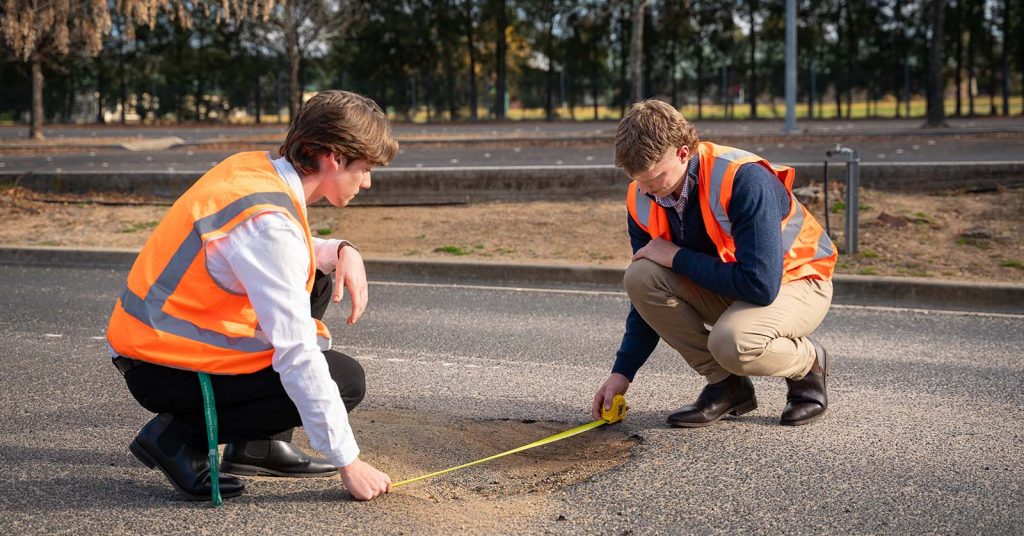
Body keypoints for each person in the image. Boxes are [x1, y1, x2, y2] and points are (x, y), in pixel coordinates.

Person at [106, 90, 396, 501]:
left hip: (157, 342)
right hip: (164, 367)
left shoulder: (254, 169)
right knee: (344, 380)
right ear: (333, 157)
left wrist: (340, 250)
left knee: (317, 276)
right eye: (365, 169)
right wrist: (349, 462)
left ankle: (258, 446)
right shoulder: (269, 227)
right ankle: (177, 438)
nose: (367, 182)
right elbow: (296, 353)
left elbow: (268, 251)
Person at [592, 100, 837, 428]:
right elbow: (645, 302)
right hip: (734, 282)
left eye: (655, 177)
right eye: (638, 180)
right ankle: (727, 387)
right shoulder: (642, 196)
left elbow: (760, 286)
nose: (648, 190)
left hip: (799, 281)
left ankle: (808, 365)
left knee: (731, 341)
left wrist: (677, 258)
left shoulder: (742, 178)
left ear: (683, 152)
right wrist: (622, 374)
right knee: (640, 276)